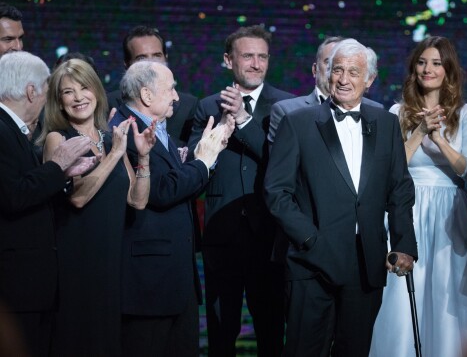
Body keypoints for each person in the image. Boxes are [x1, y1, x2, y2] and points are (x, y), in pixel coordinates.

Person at [264, 38, 417, 357]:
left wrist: (403, 244)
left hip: (366, 262)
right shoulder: (298, 122)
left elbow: (399, 188)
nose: (343, 79)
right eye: (337, 70)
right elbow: (276, 192)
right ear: (326, 73)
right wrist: (309, 240)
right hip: (312, 260)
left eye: (353, 71)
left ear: (370, 79)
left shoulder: (386, 123)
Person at [370, 36, 467, 357]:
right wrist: (419, 131)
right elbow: (390, 169)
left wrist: (439, 139)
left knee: (448, 295)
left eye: (436, 63)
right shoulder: (397, 111)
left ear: (448, 69)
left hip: (451, 213)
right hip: (406, 208)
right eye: (422, 62)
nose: (428, 69)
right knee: (401, 297)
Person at [109, 60, 234, 357]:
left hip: (174, 277)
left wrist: (206, 158)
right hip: (149, 281)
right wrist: (203, 160)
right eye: (171, 88)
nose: (177, 97)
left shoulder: (157, 129)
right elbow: (161, 192)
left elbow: (181, 189)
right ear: (147, 95)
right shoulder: (126, 131)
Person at [38, 58, 156, 356]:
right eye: (68, 92)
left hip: (111, 259)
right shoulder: (58, 139)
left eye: (84, 87)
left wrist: (142, 158)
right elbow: (77, 198)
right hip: (74, 260)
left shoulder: (110, 138)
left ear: (97, 92)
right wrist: (115, 154)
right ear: (59, 102)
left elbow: (137, 200)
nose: (78, 97)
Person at [188, 24, 294, 356]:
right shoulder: (207, 106)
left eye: (262, 56)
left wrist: (245, 121)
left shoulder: (288, 106)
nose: (256, 64)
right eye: (247, 56)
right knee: (221, 330)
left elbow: (282, 162)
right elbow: (196, 165)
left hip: (270, 234)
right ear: (227, 60)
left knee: (271, 327)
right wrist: (218, 130)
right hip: (223, 233)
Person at [0, 51, 96, 357]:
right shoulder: (1, 130)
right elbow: (13, 195)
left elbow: (29, 184)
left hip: (29, 285)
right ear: (31, 91)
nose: (47, 98)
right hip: (17, 285)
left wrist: (63, 173)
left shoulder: (13, 130)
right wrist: (58, 165)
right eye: (46, 89)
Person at [268, 36, 384, 145]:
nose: (343, 78)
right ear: (315, 69)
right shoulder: (288, 111)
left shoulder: (377, 111)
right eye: (330, 64)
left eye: (352, 70)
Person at [108, 25, 198, 147]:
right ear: (127, 64)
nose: (151, 63)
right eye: (141, 58)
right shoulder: (111, 103)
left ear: (166, 58)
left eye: (157, 55)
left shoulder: (189, 105)